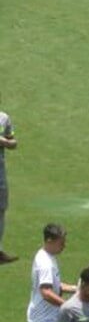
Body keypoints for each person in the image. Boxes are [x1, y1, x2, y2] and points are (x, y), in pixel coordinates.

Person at [0, 109, 18, 263]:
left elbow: (13, 143)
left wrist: (4, 142)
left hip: (0, 174)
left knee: (1, 208)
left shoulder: (4, 118)